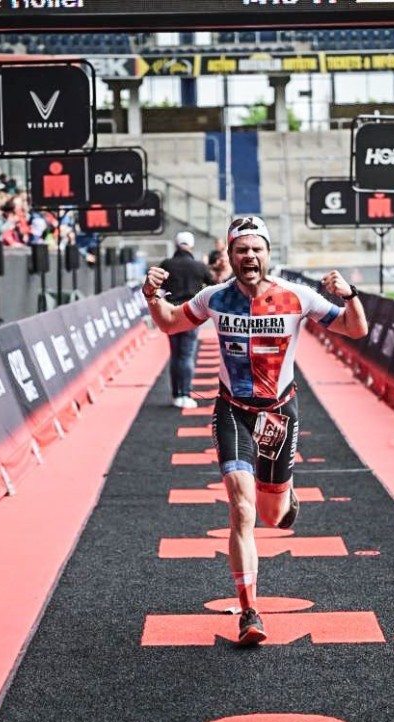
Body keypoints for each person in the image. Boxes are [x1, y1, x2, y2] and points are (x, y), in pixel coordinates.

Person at [142, 214, 368, 646]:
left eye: (256, 249)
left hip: (280, 414)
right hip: (233, 412)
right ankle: (249, 612)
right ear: (229, 255)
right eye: (241, 249)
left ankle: (285, 495)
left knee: (272, 516)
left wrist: (350, 295)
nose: (249, 256)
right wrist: (151, 295)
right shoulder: (213, 298)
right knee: (242, 510)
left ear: (268, 254)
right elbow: (171, 323)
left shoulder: (297, 297)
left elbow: (356, 328)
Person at [157, 231, 214, 409]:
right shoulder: (199, 266)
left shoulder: (166, 264)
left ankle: (176, 394)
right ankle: (186, 393)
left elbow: (158, 287)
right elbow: (213, 285)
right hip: (190, 313)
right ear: (191, 245)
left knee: (175, 354)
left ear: (176, 245)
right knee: (187, 354)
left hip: (170, 313)